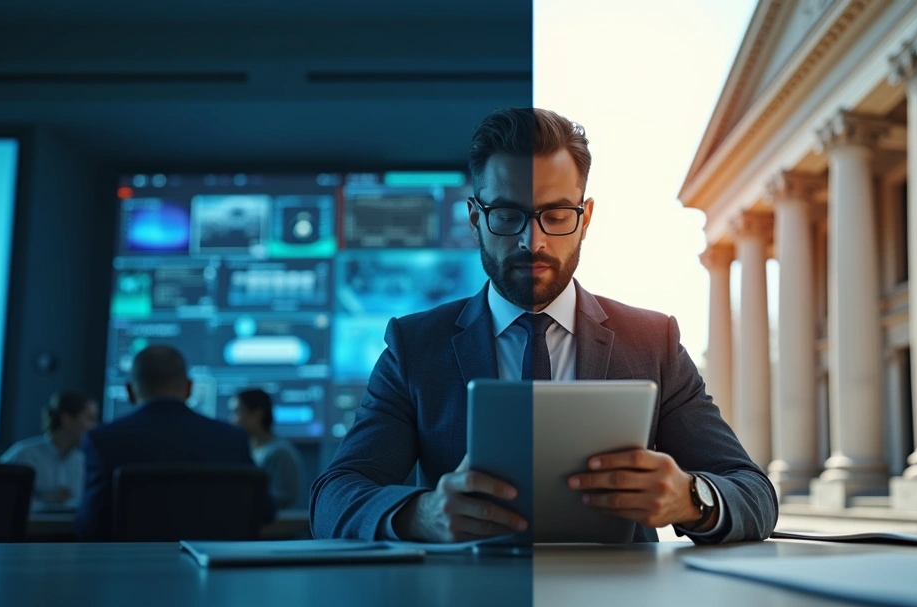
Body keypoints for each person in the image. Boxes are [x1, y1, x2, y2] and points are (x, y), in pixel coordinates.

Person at [311, 108, 778, 544]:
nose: (532, 241)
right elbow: (333, 498)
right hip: (467, 594)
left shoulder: (653, 342)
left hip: (622, 598)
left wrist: (691, 498)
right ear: (474, 219)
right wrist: (423, 515)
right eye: (507, 216)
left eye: (556, 216)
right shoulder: (415, 346)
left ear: (585, 219)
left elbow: (753, 492)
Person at [75, 345, 275, 540]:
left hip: (132, 562)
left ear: (129, 391)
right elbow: (264, 512)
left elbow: (91, 527)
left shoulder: (102, 440)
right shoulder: (232, 439)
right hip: (211, 562)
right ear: (189, 388)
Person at [0, 391, 99, 509]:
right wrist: (43, 500)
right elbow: (0, 497)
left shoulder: (84, 461)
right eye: (90, 418)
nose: (95, 426)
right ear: (66, 418)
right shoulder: (24, 455)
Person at [230, 388, 305, 510]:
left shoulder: (280, 452)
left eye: (237, 412)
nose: (232, 419)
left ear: (257, 415)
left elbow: (284, 499)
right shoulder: (249, 450)